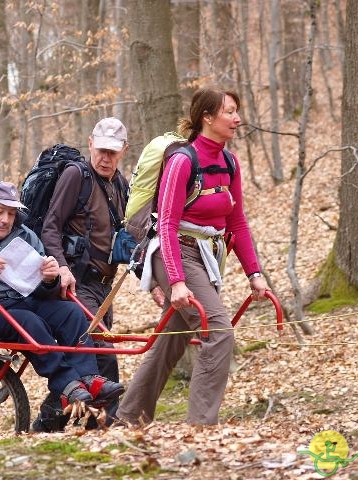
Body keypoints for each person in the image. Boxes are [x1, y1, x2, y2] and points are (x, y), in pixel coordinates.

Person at [116, 86, 271, 426]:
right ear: (207, 117)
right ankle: (201, 426)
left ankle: (127, 418)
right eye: (229, 111)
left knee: (170, 341)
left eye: (236, 111)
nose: (237, 118)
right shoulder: (183, 161)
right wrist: (177, 281)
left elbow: (238, 222)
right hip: (173, 254)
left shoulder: (229, 162)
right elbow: (168, 224)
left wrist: (254, 273)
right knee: (218, 332)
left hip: (206, 257)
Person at [0, 181, 125, 418]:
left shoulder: (24, 234)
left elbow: (40, 289)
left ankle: (90, 379)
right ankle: (66, 383)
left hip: (20, 301)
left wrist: (49, 279)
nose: (6, 219)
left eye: (11, 213)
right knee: (28, 322)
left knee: (71, 313)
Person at [39, 117, 130, 428]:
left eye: (113, 152)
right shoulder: (76, 175)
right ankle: (106, 424)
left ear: (123, 151)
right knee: (102, 352)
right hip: (78, 282)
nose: (105, 158)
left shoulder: (120, 184)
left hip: (105, 285)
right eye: (101, 150)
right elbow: (50, 227)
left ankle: (49, 422)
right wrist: (62, 268)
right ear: (90, 143)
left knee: (88, 358)